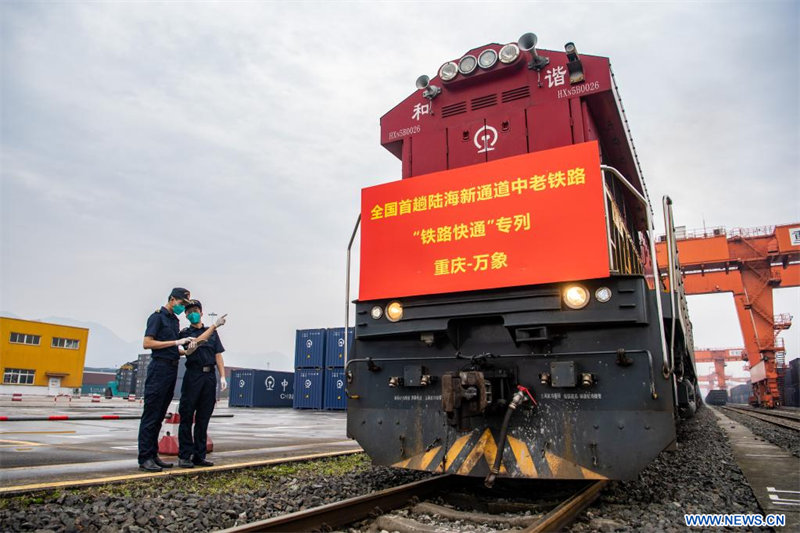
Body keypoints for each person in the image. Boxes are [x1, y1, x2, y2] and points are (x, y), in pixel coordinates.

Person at [137, 287, 193, 472]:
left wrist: (186, 350)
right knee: (151, 415)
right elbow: (148, 343)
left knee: (160, 415)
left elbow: (172, 348)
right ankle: (145, 457)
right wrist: (175, 342)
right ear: (172, 299)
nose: (182, 308)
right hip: (159, 368)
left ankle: (154, 455)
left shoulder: (174, 321)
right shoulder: (157, 317)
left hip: (171, 367)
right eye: (181, 303)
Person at [177, 299, 227, 467]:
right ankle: (184, 455)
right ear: (185, 315)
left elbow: (218, 355)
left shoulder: (211, 333)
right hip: (193, 375)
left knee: (203, 418)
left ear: (201, 312)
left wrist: (222, 376)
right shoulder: (185, 333)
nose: (192, 314)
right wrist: (188, 350)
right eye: (189, 312)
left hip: (209, 377)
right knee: (186, 416)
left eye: (195, 311)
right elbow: (186, 349)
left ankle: (199, 455)